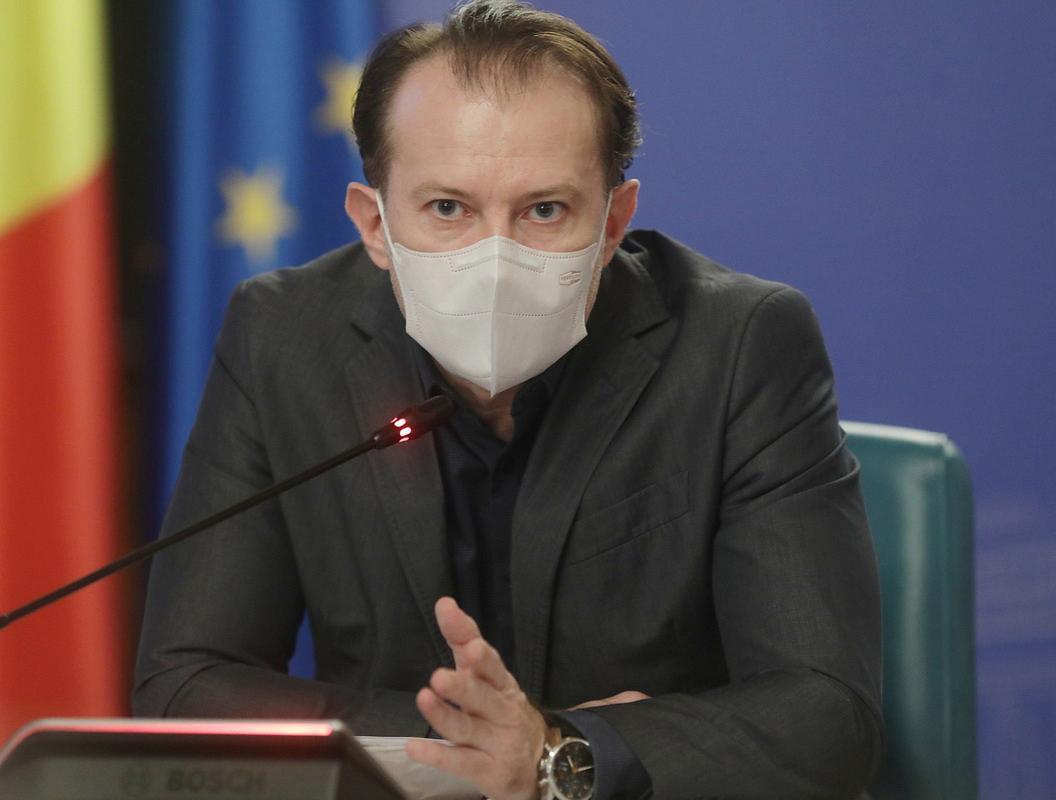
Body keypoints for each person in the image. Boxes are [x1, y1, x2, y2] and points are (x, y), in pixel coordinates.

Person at [134, 2, 884, 798]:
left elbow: (828, 717)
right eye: (448, 209)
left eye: (544, 210)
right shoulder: (284, 337)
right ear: (375, 225)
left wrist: (562, 753)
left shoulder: (739, 345)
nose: (495, 260)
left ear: (613, 222)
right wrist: (484, 748)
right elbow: (185, 685)